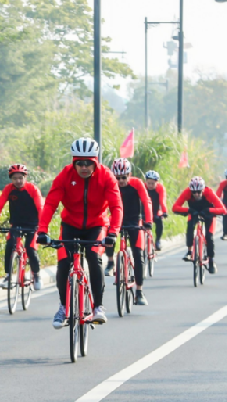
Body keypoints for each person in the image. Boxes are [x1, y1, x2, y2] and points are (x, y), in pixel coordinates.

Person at [36, 138, 121, 328]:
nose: (84, 167)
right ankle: (63, 307)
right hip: (70, 224)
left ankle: (98, 307)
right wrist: (42, 231)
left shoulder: (106, 176)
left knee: (93, 257)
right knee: (64, 263)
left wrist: (113, 233)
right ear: (74, 162)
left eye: (88, 163)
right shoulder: (64, 176)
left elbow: (116, 207)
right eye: (79, 163)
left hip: (96, 224)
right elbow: (50, 204)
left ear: (95, 162)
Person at [105, 159, 153, 305]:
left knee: (138, 256)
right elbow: (104, 203)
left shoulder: (137, 184)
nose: (121, 181)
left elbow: (146, 201)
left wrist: (148, 221)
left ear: (129, 175)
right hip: (117, 220)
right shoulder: (111, 185)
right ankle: (111, 261)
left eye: (124, 177)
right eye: (117, 178)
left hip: (134, 221)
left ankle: (139, 291)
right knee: (108, 236)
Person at [0, 164, 43, 292]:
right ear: (11, 179)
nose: (18, 181)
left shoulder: (32, 189)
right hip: (16, 224)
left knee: (30, 249)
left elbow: (40, 208)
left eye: (20, 178)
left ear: (25, 177)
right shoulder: (8, 189)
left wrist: (42, 227)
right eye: (15, 178)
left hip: (33, 225)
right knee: (10, 245)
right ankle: (8, 277)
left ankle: (36, 275)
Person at [172, 177, 227, 273]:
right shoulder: (187, 192)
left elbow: (223, 210)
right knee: (189, 229)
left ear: (203, 189)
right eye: (194, 192)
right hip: (194, 213)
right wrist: (188, 210)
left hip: (208, 214)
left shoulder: (209, 192)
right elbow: (175, 207)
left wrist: (209, 210)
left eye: (198, 192)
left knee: (209, 237)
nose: (196, 194)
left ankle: (211, 261)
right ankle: (189, 252)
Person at [144, 170, 167, 252]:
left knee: (159, 221)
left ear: (157, 182)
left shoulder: (160, 188)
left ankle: (157, 241)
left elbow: (162, 201)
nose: (150, 185)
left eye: (152, 183)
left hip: (155, 211)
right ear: (145, 181)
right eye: (148, 183)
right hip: (144, 212)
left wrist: (164, 212)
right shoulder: (143, 187)